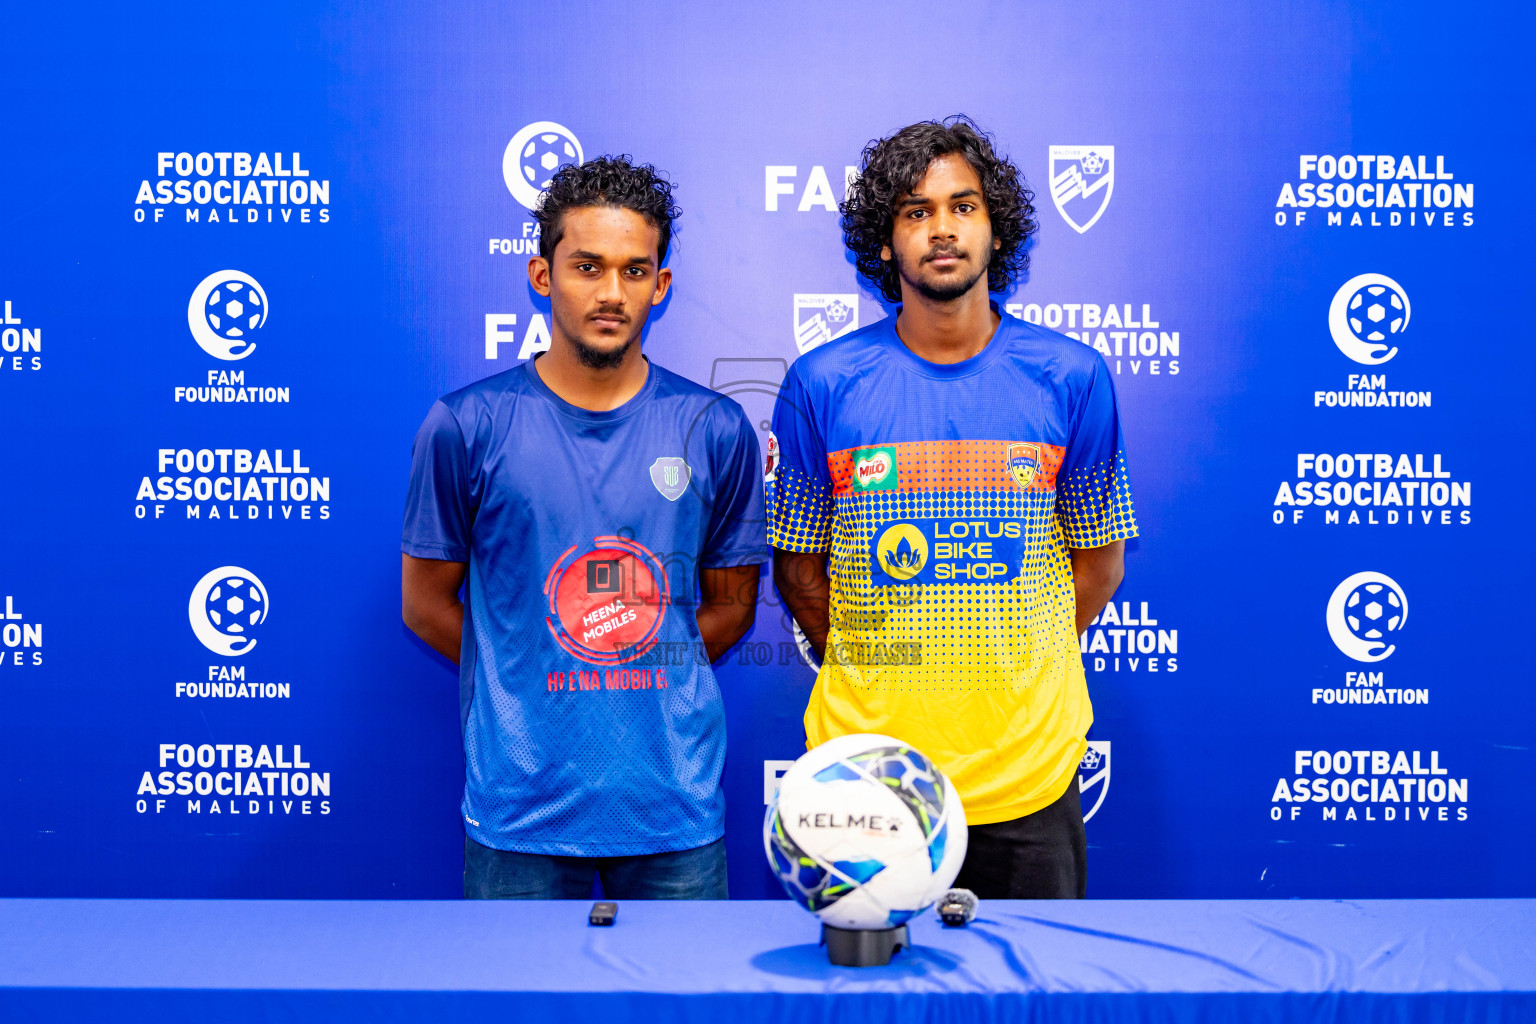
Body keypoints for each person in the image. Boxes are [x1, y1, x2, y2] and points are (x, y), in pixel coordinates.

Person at [767, 117, 1137, 899]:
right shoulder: (822, 383)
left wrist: (1013, 654)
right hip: (867, 782)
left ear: (997, 231)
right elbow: (799, 572)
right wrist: (881, 659)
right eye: (915, 211)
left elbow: (1099, 561)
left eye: (963, 207)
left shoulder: (1071, 377)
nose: (942, 229)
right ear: (884, 242)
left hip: (1026, 775)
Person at [402, 157, 766, 900]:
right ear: (542, 275)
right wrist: (522, 671)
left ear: (660, 286)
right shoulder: (465, 426)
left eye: (636, 272)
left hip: (673, 816)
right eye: (587, 267)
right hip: (521, 815)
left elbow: (731, 605)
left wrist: (637, 662)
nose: (611, 293)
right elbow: (426, 605)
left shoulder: (715, 428)